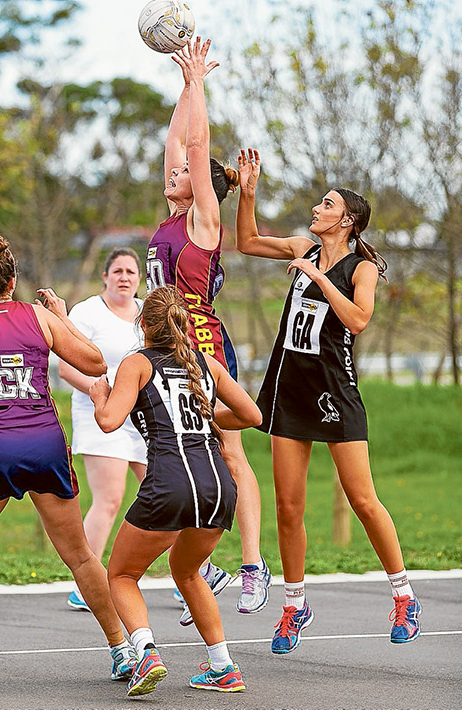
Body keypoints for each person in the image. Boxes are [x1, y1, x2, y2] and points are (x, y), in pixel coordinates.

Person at [0, 231, 136, 692]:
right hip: (45, 445)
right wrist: (61, 316)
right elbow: (96, 363)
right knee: (79, 555)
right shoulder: (39, 316)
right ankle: (123, 650)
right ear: (13, 278)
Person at [235, 148, 422, 654]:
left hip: (334, 391)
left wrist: (318, 279)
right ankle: (294, 606)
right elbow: (247, 241)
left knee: (362, 500)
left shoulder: (360, 268)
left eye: (326, 204)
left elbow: (359, 321)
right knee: (289, 506)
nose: (316, 209)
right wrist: (247, 193)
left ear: (348, 220)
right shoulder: (302, 247)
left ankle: (404, 594)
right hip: (289, 387)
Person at [145, 38, 270, 622]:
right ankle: (198, 564)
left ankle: (251, 565)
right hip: (166, 351)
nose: (173, 171)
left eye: (183, 174)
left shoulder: (203, 218)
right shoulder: (170, 216)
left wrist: (200, 81)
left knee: (230, 449)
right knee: (159, 450)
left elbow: (196, 146)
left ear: (198, 188)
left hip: (203, 349)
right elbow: (178, 140)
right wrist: (184, 86)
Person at [90, 286, 262, 696]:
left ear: (144, 325)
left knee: (122, 573)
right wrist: (207, 414)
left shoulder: (137, 363)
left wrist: (100, 398)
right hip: (219, 486)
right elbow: (251, 415)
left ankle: (146, 652)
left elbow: (110, 422)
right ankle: (223, 666)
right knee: (187, 571)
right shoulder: (208, 364)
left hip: (171, 482)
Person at [58, 247, 147, 612]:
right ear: (106, 277)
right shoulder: (86, 312)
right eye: (118, 271)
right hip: (100, 415)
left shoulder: (146, 313)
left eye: (131, 271)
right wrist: (106, 396)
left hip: (141, 418)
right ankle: (86, 584)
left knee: (168, 493)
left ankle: (190, 574)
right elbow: (66, 368)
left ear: (139, 278)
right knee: (109, 499)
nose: (124, 277)